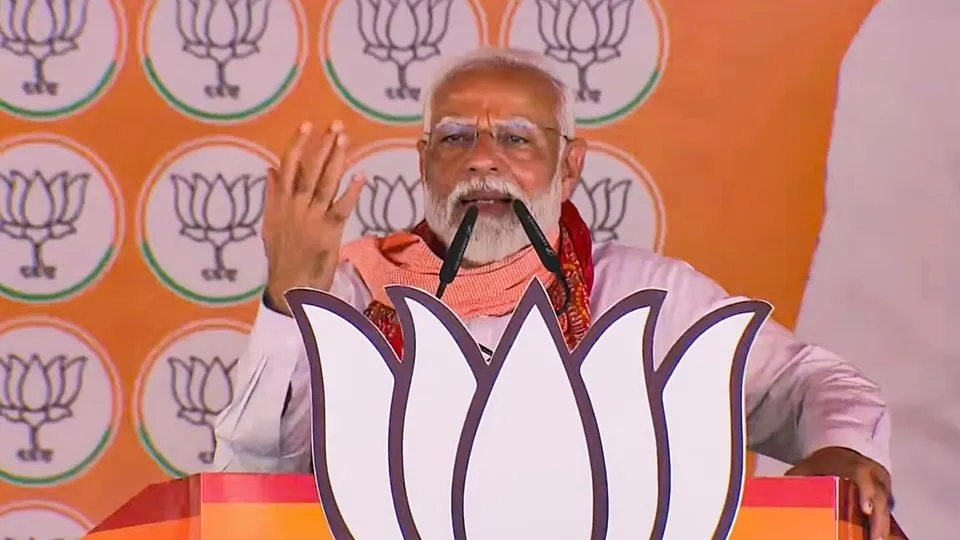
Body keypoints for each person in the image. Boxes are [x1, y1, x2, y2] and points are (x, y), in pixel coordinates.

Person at [212, 48, 893, 539]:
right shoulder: (356, 295)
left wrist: (843, 449)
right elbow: (247, 485)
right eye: (455, 138)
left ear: (570, 166)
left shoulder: (645, 296)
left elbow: (808, 385)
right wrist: (289, 298)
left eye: (515, 138)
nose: (482, 159)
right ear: (423, 163)